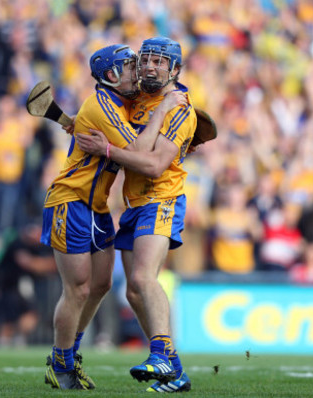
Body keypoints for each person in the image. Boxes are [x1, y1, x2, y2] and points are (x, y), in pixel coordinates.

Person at [40, 43, 186, 390]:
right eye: (131, 66)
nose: (139, 70)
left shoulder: (121, 103)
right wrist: (165, 107)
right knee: (77, 288)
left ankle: (70, 352)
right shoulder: (103, 104)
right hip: (69, 202)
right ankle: (61, 361)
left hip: (98, 205)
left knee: (102, 285)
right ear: (111, 75)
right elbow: (137, 152)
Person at [76, 36, 196, 393]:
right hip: (132, 204)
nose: (150, 67)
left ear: (175, 69)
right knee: (132, 292)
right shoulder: (137, 98)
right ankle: (174, 372)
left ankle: (160, 353)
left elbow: (156, 164)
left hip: (162, 198)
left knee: (144, 278)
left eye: (161, 62)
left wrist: (108, 150)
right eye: (146, 60)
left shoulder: (179, 108)